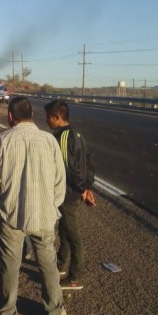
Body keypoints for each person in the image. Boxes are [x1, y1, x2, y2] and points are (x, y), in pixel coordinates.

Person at [0, 96, 67, 315]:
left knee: (10, 265)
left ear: (11, 116)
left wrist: (0, 207)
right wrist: (51, 205)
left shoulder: (0, 141)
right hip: (44, 215)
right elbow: (60, 183)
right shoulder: (49, 141)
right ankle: (55, 313)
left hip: (11, 216)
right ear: (32, 114)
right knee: (48, 263)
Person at [44, 100, 92, 290]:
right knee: (63, 229)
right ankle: (60, 264)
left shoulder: (63, 138)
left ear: (57, 117)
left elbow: (72, 170)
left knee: (73, 235)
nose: (47, 121)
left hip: (67, 193)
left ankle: (75, 277)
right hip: (74, 192)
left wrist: (82, 189)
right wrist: (87, 187)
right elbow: (89, 162)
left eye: (48, 117)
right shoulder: (78, 134)